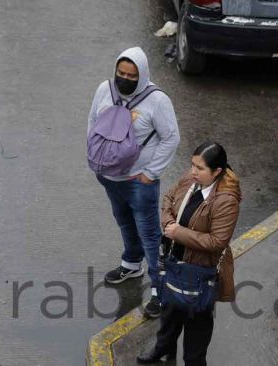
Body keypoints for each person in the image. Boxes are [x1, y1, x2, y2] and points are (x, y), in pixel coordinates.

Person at [88, 47, 180, 317]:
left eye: (131, 75)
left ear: (141, 76)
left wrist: (151, 172)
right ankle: (131, 263)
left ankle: (159, 286)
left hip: (140, 181)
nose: (124, 79)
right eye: (121, 73)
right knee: (124, 221)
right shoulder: (104, 90)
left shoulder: (158, 101)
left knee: (150, 233)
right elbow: (93, 122)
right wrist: (95, 158)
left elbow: (171, 138)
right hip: (109, 177)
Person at [137, 142, 241, 365]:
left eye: (200, 168)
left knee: (197, 325)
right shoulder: (192, 178)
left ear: (217, 172)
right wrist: (168, 223)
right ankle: (163, 351)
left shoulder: (226, 200)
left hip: (200, 272)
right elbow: (168, 198)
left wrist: (177, 232)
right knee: (169, 314)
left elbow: (218, 241)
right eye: (192, 165)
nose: (193, 171)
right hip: (175, 263)